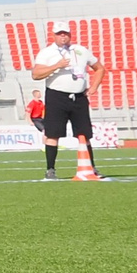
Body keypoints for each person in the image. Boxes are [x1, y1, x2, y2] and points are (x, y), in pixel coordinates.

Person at [28, 20, 103, 181]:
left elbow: (99, 68)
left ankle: (91, 167)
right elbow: (36, 74)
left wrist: (94, 86)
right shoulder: (47, 53)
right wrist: (57, 65)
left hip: (79, 96)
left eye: (66, 33)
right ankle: (50, 169)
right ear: (54, 35)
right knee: (53, 134)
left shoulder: (81, 50)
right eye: (60, 34)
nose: (63, 36)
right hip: (57, 96)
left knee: (84, 134)